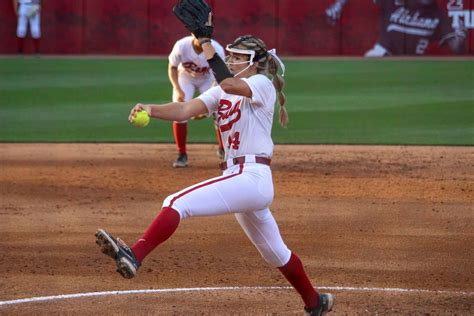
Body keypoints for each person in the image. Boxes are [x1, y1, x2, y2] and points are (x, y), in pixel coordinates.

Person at [95, 3, 335, 313]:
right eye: (230, 56)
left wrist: (205, 40)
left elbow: (231, 83)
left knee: (176, 202)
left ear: (254, 63)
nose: (231, 60)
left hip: (251, 176)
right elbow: (185, 109)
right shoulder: (221, 92)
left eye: (237, 57)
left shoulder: (260, 84)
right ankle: (314, 302)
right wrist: (152, 109)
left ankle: (135, 255)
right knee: (276, 254)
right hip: (240, 180)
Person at [325, 0, 466, 56]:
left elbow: (456, 48)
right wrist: (339, 4)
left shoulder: (438, 16)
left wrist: (460, 36)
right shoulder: (393, 1)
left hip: (414, 67)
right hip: (382, 55)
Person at [168, 35, 226, 167]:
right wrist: (177, 88)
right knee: (179, 111)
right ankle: (182, 154)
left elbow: (220, 75)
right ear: (192, 34)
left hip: (209, 79)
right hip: (185, 78)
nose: (202, 38)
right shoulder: (182, 46)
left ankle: (223, 149)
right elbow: (172, 67)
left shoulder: (216, 49)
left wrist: (208, 108)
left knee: (219, 112)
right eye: (198, 34)